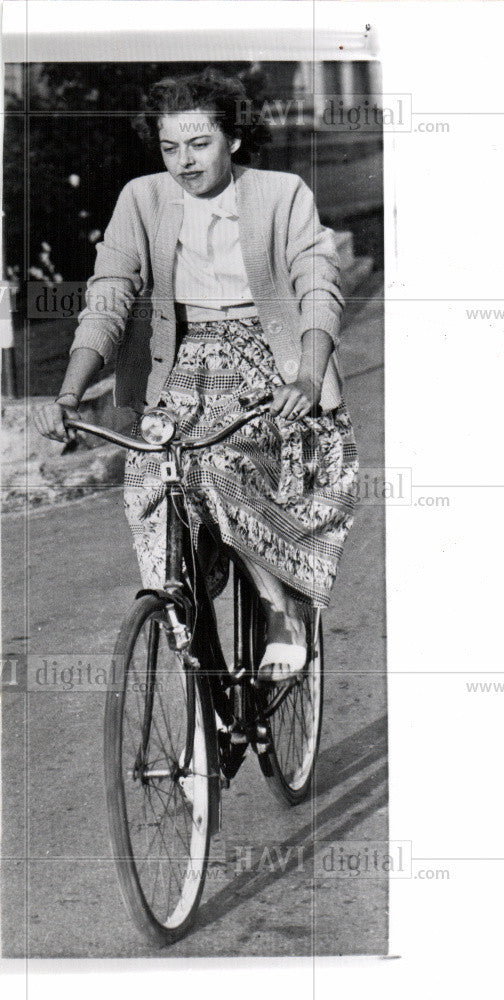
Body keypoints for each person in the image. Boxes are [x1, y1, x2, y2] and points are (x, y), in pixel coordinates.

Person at [35, 67, 359, 684]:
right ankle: (184, 598)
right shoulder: (142, 198)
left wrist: (309, 378)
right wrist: (70, 390)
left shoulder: (281, 192)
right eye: (170, 147)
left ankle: (279, 606)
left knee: (222, 465)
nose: (183, 161)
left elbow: (318, 284)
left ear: (233, 139)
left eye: (199, 144)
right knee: (152, 469)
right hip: (182, 367)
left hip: (271, 365)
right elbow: (109, 296)